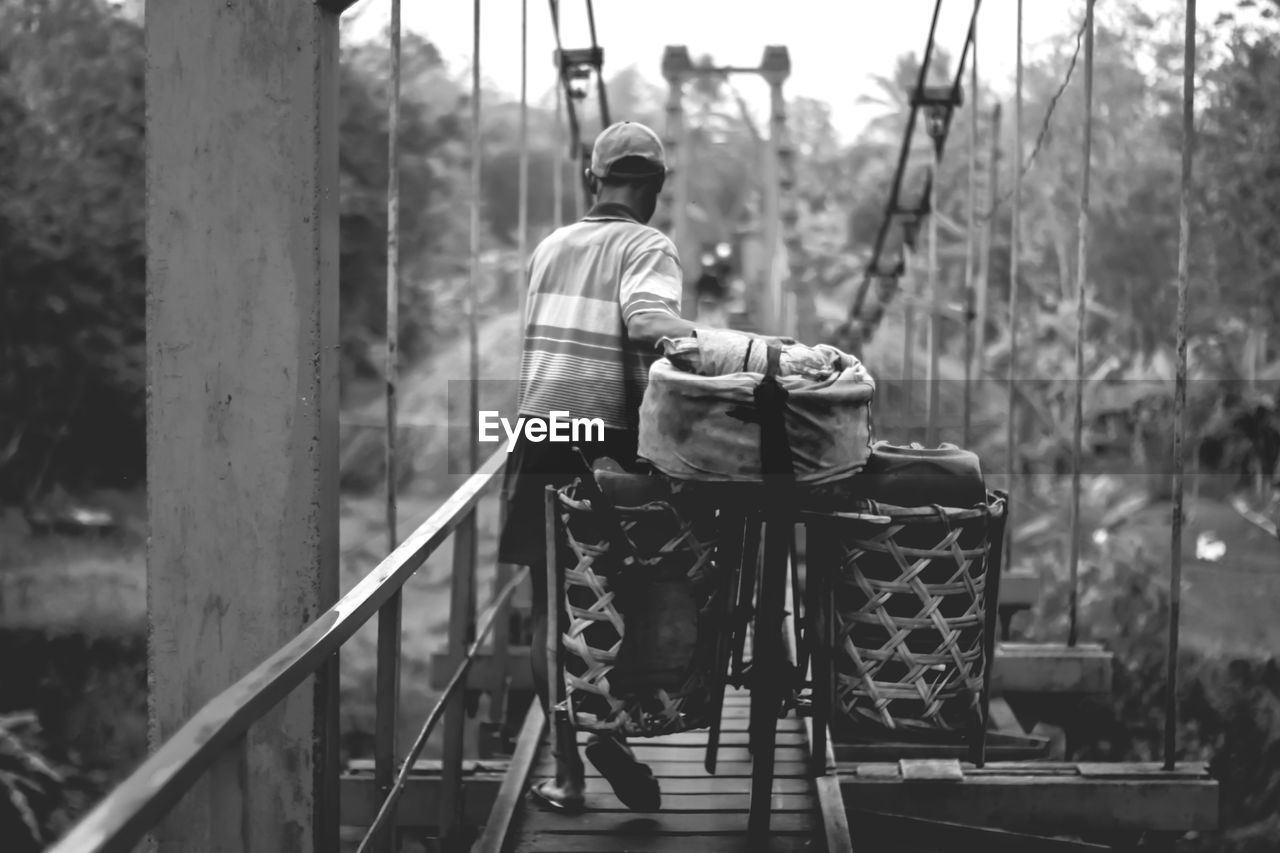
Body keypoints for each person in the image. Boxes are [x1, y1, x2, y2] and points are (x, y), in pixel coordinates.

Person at [498, 119, 786, 814]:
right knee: (637, 586)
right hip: (609, 446)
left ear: (592, 180)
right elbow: (646, 319)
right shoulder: (647, 242)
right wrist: (750, 353)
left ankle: (569, 770)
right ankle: (618, 724)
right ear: (654, 187)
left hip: (538, 435)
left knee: (551, 606)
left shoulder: (549, 247)